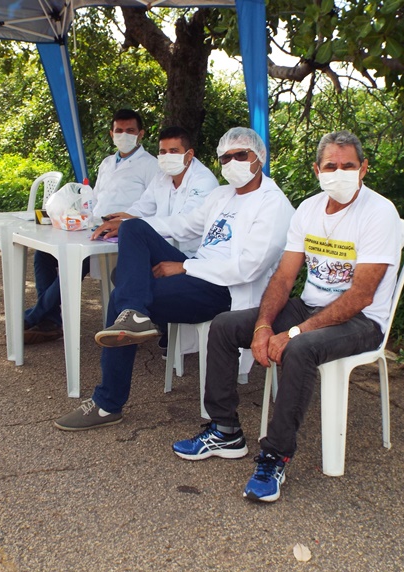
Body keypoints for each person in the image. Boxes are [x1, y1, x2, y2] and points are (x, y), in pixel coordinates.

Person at [172, 131, 402, 503]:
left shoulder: (379, 213)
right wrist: (264, 326)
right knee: (226, 326)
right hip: (310, 306)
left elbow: (361, 295)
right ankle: (225, 429)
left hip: (362, 321)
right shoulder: (309, 209)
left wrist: (293, 332)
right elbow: (283, 277)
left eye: (348, 166)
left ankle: (274, 455)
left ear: (364, 169)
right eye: (331, 166)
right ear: (317, 170)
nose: (339, 172)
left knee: (299, 349)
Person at [54, 127, 296, 431]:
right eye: (225, 157)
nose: (232, 162)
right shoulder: (222, 195)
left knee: (119, 298)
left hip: (227, 290)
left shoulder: (273, 204)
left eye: (240, 155)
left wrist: (184, 268)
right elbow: (184, 225)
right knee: (134, 229)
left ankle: (108, 403)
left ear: (258, 157)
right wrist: (127, 221)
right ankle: (134, 314)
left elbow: (248, 268)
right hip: (199, 271)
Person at [23, 108, 159, 344]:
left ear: (141, 134)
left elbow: (152, 205)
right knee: (44, 254)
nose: (124, 135)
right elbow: (95, 198)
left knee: (78, 259)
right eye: (119, 131)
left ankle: (34, 316)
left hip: (123, 232)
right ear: (111, 133)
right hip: (94, 225)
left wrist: (123, 220)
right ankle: (51, 322)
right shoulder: (107, 163)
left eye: (130, 131)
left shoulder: (151, 165)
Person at [100, 125, 219, 257]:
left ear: (189, 155)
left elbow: (185, 225)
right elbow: (143, 206)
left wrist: (129, 224)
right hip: (166, 246)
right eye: (163, 152)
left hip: (193, 255)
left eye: (174, 151)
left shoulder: (203, 181)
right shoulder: (163, 176)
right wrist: (123, 217)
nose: (167, 156)